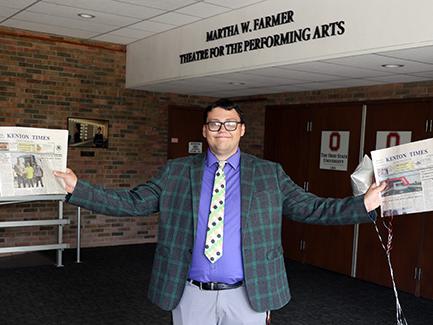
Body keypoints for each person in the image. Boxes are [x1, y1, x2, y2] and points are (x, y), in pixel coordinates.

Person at [55, 99, 386, 325]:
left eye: (230, 124)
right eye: (214, 124)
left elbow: (313, 208)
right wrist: (78, 188)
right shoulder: (176, 171)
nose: (222, 130)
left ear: (242, 130)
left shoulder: (268, 173)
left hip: (248, 292)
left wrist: (364, 205)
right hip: (190, 291)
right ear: (204, 130)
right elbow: (132, 202)